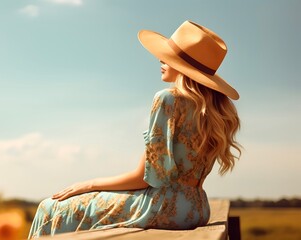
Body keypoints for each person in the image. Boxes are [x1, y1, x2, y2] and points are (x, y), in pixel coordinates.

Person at [28, 20, 241, 239]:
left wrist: (89, 184)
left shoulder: (167, 99)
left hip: (162, 206)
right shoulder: (216, 110)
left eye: (169, 57)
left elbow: (146, 178)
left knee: (51, 207)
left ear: (183, 66)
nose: (160, 59)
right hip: (197, 208)